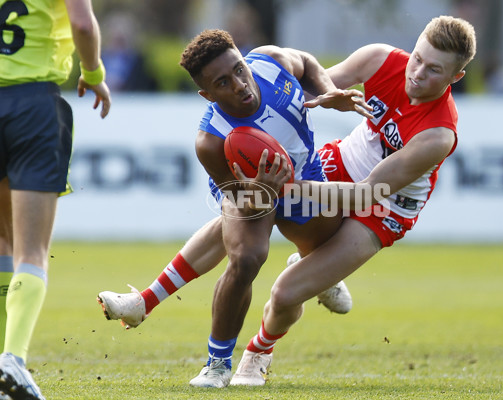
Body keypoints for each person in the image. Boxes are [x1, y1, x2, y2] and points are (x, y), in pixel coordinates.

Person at [96, 29, 371, 389]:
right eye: (223, 83)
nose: (241, 85)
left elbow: (306, 63)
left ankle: (312, 266)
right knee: (246, 257)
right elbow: (239, 198)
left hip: (305, 175)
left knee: (323, 241)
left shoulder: (271, 63)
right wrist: (261, 192)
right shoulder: (212, 140)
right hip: (248, 187)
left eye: (239, 70)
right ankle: (217, 364)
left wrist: (326, 89)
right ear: (206, 95)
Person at [226, 15, 477, 386]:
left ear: (455, 78)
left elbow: (368, 193)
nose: (418, 73)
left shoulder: (438, 133)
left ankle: (259, 351)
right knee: (238, 216)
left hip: (382, 208)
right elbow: (308, 94)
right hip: (338, 161)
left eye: (434, 70)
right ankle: (149, 297)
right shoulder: (379, 59)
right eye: (418, 58)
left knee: (284, 293)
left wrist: (281, 188)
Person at [0, 0, 111, 398]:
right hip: (32, 104)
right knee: (32, 251)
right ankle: (11, 358)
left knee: (2, 244)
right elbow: (82, 23)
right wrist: (94, 71)